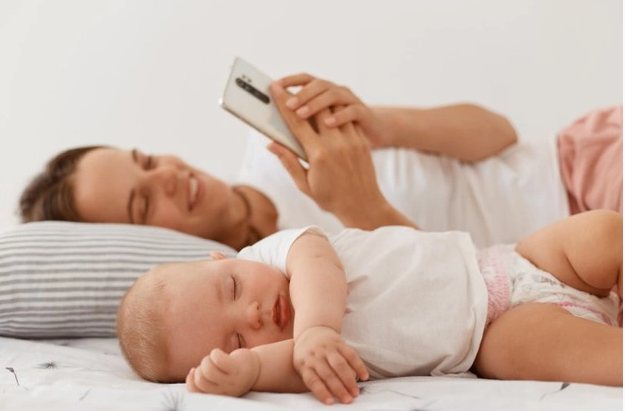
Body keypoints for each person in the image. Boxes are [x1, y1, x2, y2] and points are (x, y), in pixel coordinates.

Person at [18, 73, 623, 249]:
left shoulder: (272, 141)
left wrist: (383, 126)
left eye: (146, 160)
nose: (168, 176)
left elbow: (499, 132)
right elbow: (467, 295)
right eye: (143, 202)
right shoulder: (278, 278)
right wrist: (362, 209)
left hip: (576, 167)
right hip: (574, 263)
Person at [116, 209, 622, 405]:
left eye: (230, 289)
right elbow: (292, 370)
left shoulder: (280, 251)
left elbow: (319, 267)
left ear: (223, 258)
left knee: (602, 233)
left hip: (512, 262)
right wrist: (245, 371)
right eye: (235, 340)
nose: (251, 315)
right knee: (574, 356)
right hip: (492, 334)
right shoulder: (305, 355)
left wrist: (315, 328)